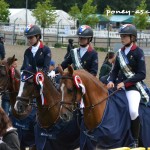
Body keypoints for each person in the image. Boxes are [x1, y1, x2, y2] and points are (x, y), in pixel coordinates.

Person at [107, 24, 149, 147]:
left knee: (133, 111)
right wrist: (110, 81)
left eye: (125, 36)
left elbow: (142, 74)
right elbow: (114, 71)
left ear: (132, 37)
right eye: (121, 36)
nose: (122, 38)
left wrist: (125, 83)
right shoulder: (119, 52)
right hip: (118, 86)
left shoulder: (138, 52)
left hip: (133, 88)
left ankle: (135, 140)